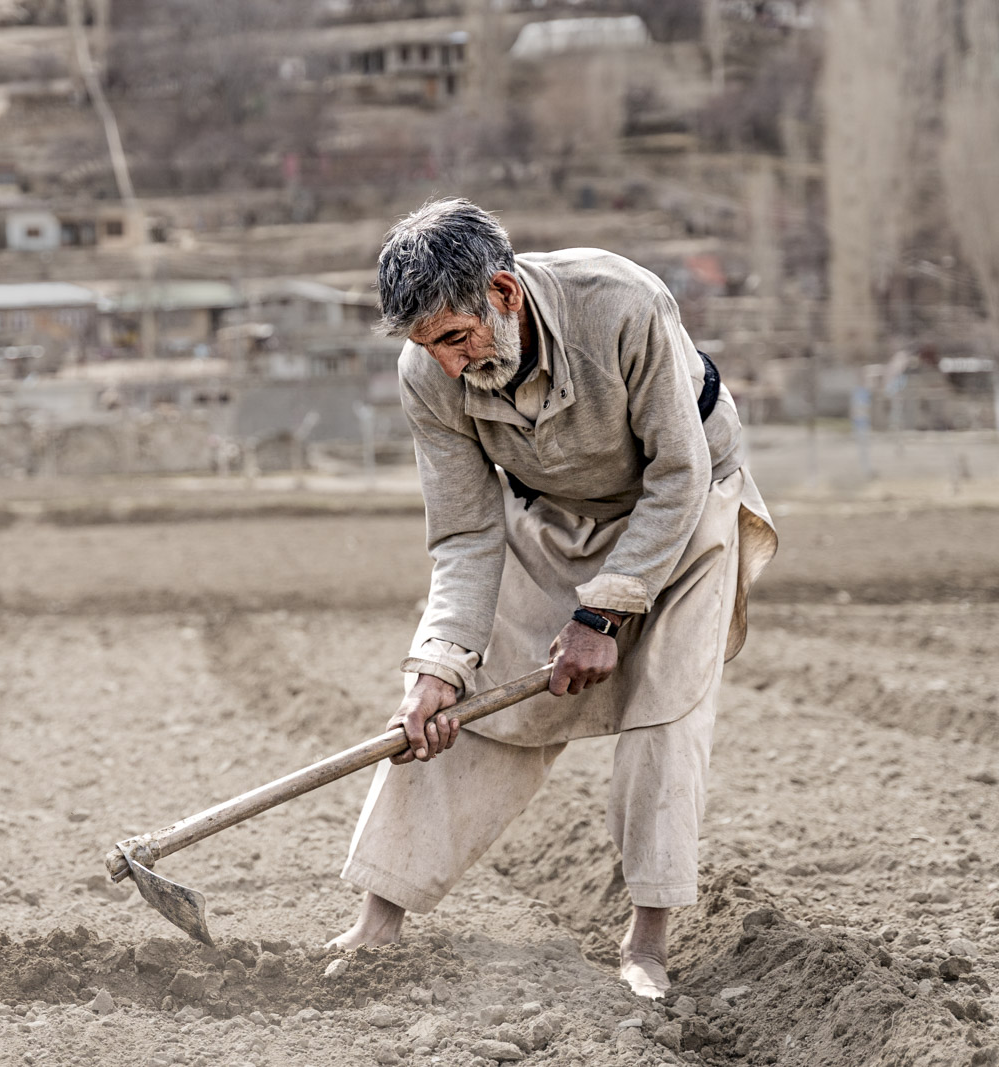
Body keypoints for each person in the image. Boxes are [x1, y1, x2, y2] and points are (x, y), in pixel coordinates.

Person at [328, 198, 777, 999]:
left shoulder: (623, 304)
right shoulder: (428, 375)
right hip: (557, 514)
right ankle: (378, 921)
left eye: (455, 339)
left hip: (684, 506)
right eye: (427, 347)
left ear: (503, 293)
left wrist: (602, 613)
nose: (448, 367)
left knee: (666, 708)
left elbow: (678, 475)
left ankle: (647, 943)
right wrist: (439, 663)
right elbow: (467, 533)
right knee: (460, 707)